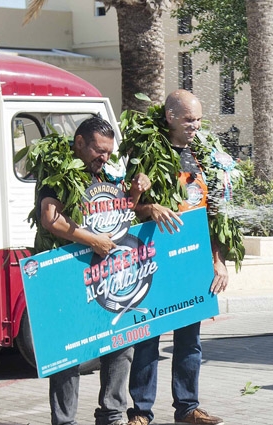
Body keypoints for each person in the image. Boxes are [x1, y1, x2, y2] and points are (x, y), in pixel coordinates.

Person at [36, 116, 180, 425]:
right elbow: (51, 218)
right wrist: (92, 240)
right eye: (98, 151)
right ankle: (65, 422)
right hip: (70, 276)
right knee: (70, 352)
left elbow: (119, 215)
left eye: (108, 152)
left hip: (109, 275)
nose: (104, 157)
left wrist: (138, 195)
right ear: (79, 144)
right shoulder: (58, 173)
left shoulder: (105, 175)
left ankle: (111, 415)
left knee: (121, 342)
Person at [127, 89, 229, 425]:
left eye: (198, 120)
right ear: (169, 116)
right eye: (188, 120)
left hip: (193, 261)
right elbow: (123, 207)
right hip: (155, 261)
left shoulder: (205, 156)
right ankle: (140, 413)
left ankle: (187, 408)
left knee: (190, 341)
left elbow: (216, 217)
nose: (195, 126)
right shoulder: (146, 153)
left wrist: (219, 261)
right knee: (148, 341)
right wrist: (148, 206)